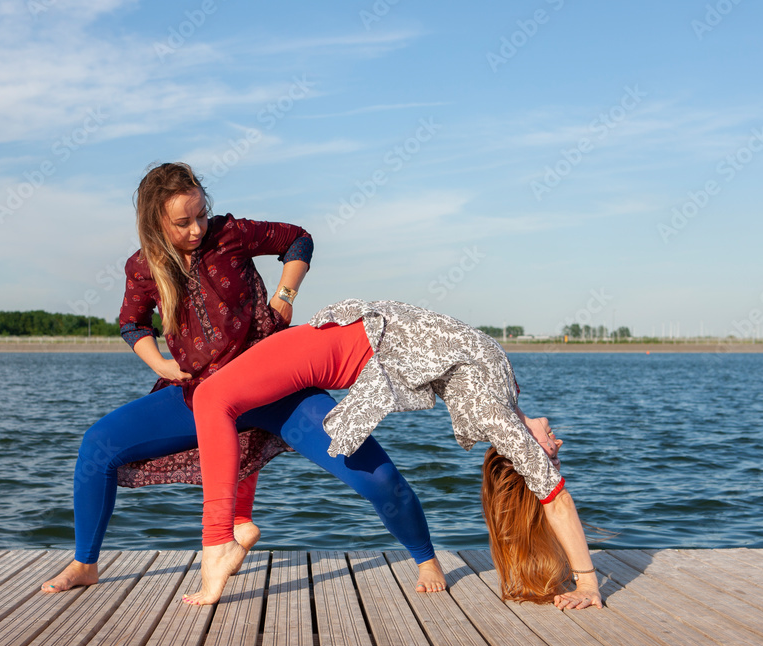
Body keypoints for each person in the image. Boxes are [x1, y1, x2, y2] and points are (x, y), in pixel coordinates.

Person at [41, 165, 442, 595]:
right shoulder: (142, 267)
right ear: (155, 222)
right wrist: (158, 363)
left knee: (379, 478)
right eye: (183, 222)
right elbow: (133, 322)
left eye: (200, 214)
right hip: (200, 394)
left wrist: (285, 294)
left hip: (277, 388)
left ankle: (426, 559)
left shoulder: (230, 233)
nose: (197, 229)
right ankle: (85, 563)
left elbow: (297, 239)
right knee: (97, 446)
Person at [185, 298, 601, 610]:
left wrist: (587, 584)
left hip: (345, 346)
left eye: (552, 454)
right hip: (354, 334)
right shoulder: (509, 403)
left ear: (525, 456)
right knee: (225, 400)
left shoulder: (498, 419)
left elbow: (557, 499)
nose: (558, 444)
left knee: (210, 397)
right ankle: (237, 524)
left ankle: (220, 539)